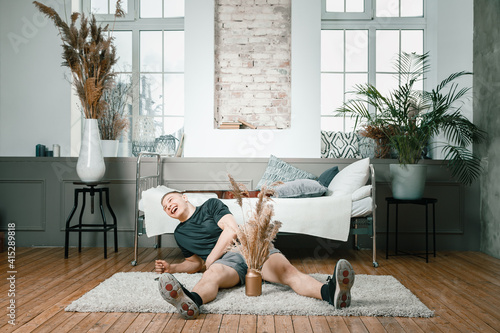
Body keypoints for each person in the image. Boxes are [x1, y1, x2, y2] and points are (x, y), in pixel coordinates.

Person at [155, 191, 355, 319]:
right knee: (211, 274)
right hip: (226, 262)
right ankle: (192, 302)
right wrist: (172, 268)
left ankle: (330, 293)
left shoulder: (211, 205)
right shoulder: (180, 234)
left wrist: (210, 259)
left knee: (288, 272)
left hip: (251, 246)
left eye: (170, 199)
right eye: (165, 207)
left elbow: (231, 229)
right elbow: (194, 263)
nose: (168, 206)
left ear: (184, 197)